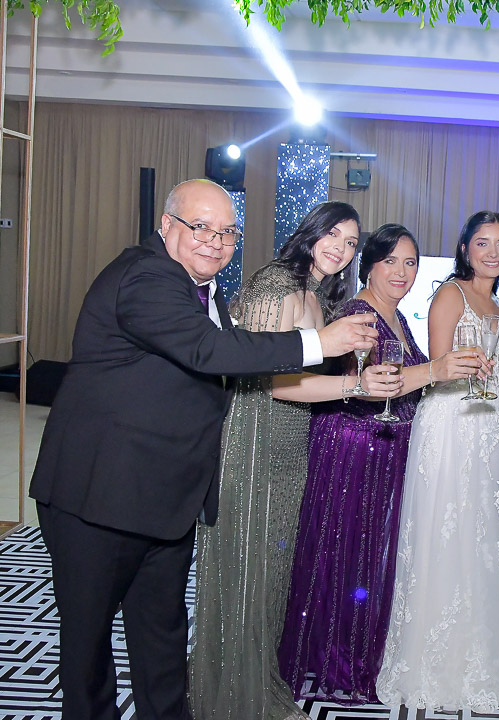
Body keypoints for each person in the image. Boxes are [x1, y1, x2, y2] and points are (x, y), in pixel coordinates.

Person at [28, 179, 377, 720]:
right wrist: (320, 343)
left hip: (167, 499)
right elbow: (207, 350)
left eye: (228, 232)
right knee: (88, 646)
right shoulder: (144, 275)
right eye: (201, 227)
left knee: (162, 639)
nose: (215, 241)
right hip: (99, 495)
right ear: (166, 225)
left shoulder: (206, 290)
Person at [278, 224, 479, 704]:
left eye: (410, 263)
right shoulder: (358, 313)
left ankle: (359, 651)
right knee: (349, 559)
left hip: (385, 449)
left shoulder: (397, 315)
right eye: (390, 261)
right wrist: (435, 370)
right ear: (369, 265)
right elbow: (363, 385)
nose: (401, 272)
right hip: (354, 449)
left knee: (371, 560)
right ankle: (338, 660)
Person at [187, 201, 372, 719]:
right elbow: (264, 379)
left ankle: (253, 684)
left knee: (270, 579)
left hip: (290, 447)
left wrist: (355, 382)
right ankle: (231, 698)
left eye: (351, 242)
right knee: (245, 575)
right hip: (253, 447)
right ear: (311, 232)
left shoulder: (316, 293)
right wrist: (355, 385)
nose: (340, 248)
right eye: (333, 234)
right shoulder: (275, 284)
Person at [375, 211, 499, 712]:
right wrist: (464, 368)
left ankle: (481, 656)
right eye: (482, 243)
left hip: (493, 425)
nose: (492, 253)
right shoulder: (450, 294)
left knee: (485, 539)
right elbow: (437, 368)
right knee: (446, 534)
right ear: (465, 249)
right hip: (452, 424)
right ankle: (433, 662)